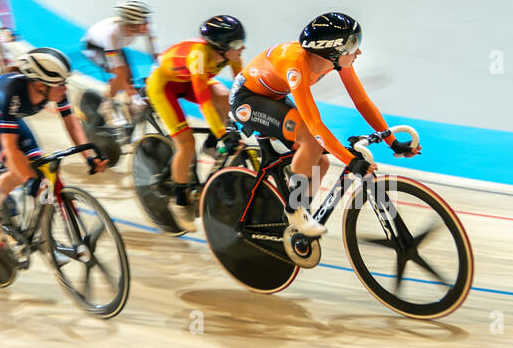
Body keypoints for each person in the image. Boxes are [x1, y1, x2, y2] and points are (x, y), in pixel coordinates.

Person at [228, 13, 418, 236]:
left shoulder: (336, 61)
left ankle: (300, 215)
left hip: (273, 96)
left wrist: (392, 142)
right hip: (247, 100)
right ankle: (294, 210)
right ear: (331, 49)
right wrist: (350, 161)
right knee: (310, 142)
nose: (359, 51)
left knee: (321, 162)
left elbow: (361, 101)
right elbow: (315, 126)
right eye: (353, 44)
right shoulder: (296, 66)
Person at [0, 47, 106, 244]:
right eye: (60, 84)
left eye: (65, 82)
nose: (64, 89)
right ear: (40, 84)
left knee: (40, 169)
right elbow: (9, 148)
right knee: (20, 170)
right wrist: (28, 178)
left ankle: (43, 239)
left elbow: (71, 123)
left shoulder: (54, 88)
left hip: (11, 119)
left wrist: (89, 156)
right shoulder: (13, 91)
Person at [145, 15, 246, 232]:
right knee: (186, 144)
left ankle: (211, 145)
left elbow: (242, 88)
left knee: (225, 95)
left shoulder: (231, 53)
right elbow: (204, 102)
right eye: (237, 44)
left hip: (186, 80)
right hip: (164, 87)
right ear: (220, 47)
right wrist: (222, 133)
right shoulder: (199, 56)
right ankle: (180, 202)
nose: (242, 48)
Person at [82, 0, 158, 126]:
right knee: (122, 75)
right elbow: (118, 68)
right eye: (143, 22)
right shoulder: (112, 33)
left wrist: (156, 69)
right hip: (95, 48)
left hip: (116, 47)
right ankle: (108, 104)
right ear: (130, 24)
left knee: (129, 78)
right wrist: (134, 96)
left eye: (146, 19)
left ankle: (127, 105)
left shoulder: (148, 27)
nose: (147, 25)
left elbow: (155, 54)